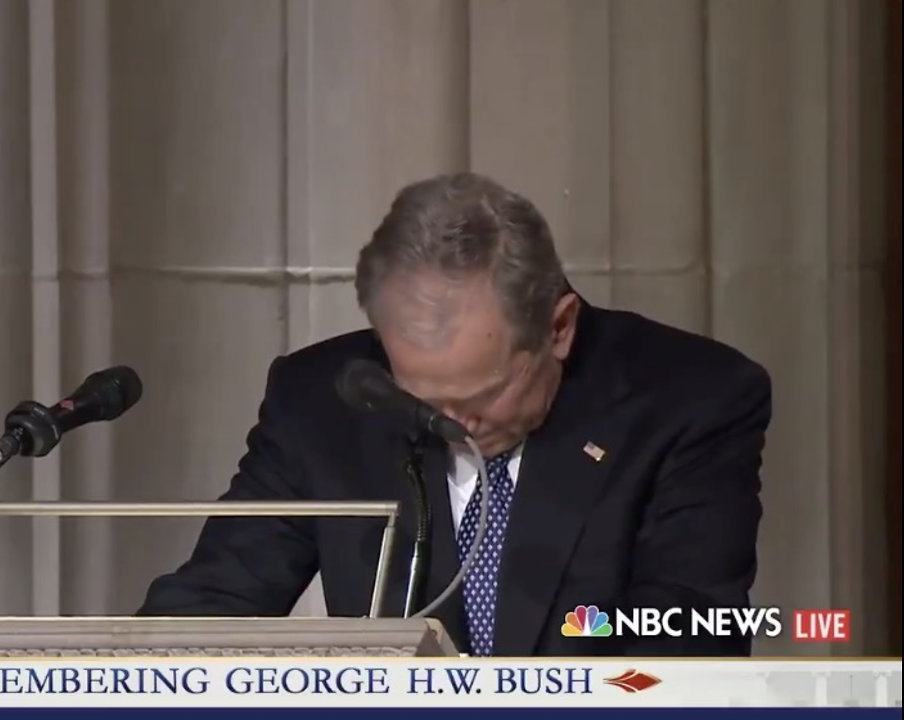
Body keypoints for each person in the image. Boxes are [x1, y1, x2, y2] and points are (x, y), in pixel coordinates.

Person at [137, 173, 771, 656]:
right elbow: (216, 605)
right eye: (424, 398)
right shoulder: (322, 400)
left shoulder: (688, 397)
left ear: (558, 327)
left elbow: (690, 630)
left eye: (481, 395)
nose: (453, 426)